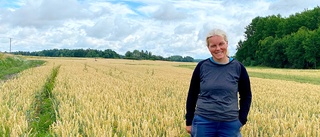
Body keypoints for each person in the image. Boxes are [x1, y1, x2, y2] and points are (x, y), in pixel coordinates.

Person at [185, 29, 252, 137]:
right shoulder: (202, 67)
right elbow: (192, 94)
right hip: (203, 122)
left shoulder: (238, 67)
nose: (218, 48)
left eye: (221, 44)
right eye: (213, 46)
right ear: (208, 48)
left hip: (230, 123)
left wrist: (241, 119)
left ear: (227, 44)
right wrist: (189, 121)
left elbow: (246, 96)